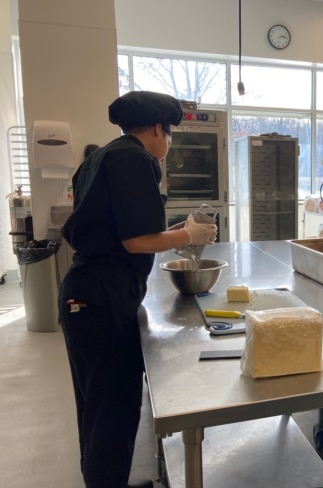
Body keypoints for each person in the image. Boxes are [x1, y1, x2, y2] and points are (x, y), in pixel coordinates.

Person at [58, 91, 217, 488]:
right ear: (160, 129)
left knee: (99, 405)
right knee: (111, 409)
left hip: (89, 293)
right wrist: (188, 234)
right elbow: (135, 241)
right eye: (171, 135)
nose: (169, 145)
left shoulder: (103, 156)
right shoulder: (136, 159)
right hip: (100, 299)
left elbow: (121, 228)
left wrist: (180, 229)